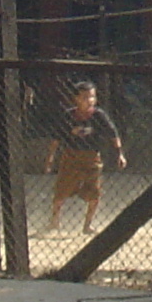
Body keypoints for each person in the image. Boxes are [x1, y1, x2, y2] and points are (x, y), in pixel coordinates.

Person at [44, 79, 125, 235]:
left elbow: (113, 134)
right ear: (76, 99)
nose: (90, 101)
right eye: (85, 97)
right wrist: (50, 158)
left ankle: (87, 225)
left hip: (92, 157)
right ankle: (54, 221)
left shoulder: (99, 115)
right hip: (71, 157)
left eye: (92, 97)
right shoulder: (69, 116)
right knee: (61, 191)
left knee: (94, 194)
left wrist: (120, 154)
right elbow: (56, 139)